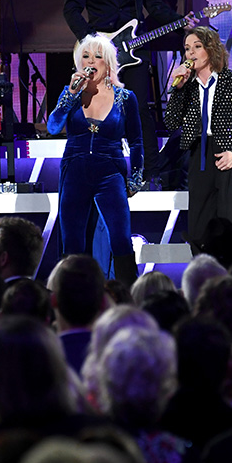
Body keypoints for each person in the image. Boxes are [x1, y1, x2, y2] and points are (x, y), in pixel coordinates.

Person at [65, 0, 192, 186]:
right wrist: (92, 42)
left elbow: (154, 6)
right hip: (99, 52)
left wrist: (181, 22)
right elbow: (71, 9)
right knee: (94, 108)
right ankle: (92, 167)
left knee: (137, 108)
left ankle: (148, 171)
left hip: (133, 50)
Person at [46, 34, 143, 283]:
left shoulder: (126, 98)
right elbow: (53, 127)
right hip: (75, 172)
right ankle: (72, 296)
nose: (91, 61)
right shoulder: (71, 94)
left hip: (110, 172)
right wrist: (69, 94)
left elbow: (136, 141)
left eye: (97, 56)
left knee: (120, 238)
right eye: (86, 56)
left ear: (108, 63)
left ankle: (127, 295)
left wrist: (135, 179)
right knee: (73, 240)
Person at [165, 26, 232, 252]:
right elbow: (171, 123)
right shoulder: (187, 88)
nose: (190, 54)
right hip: (199, 156)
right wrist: (179, 88)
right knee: (200, 227)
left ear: (210, 50)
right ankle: (203, 277)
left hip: (231, 157)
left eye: (197, 47)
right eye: (187, 49)